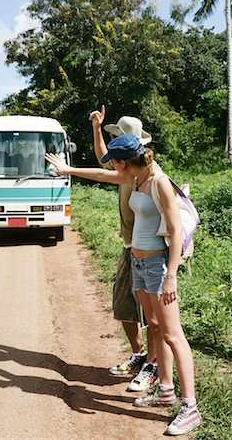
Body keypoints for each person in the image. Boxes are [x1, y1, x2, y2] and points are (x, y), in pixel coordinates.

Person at [45, 134, 202, 436]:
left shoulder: (159, 182)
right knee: (154, 327)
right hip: (138, 263)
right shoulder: (136, 179)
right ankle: (166, 390)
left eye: (115, 162)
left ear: (125, 161)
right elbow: (101, 174)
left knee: (172, 334)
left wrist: (171, 274)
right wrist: (68, 171)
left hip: (158, 266)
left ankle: (190, 406)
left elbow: (174, 233)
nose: (113, 168)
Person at [88, 106, 158, 392]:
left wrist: (68, 169)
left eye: (118, 137)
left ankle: (152, 365)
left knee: (152, 315)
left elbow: (101, 172)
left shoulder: (139, 173)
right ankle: (140, 355)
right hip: (129, 248)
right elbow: (104, 160)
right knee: (123, 304)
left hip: (149, 251)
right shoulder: (125, 167)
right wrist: (96, 128)